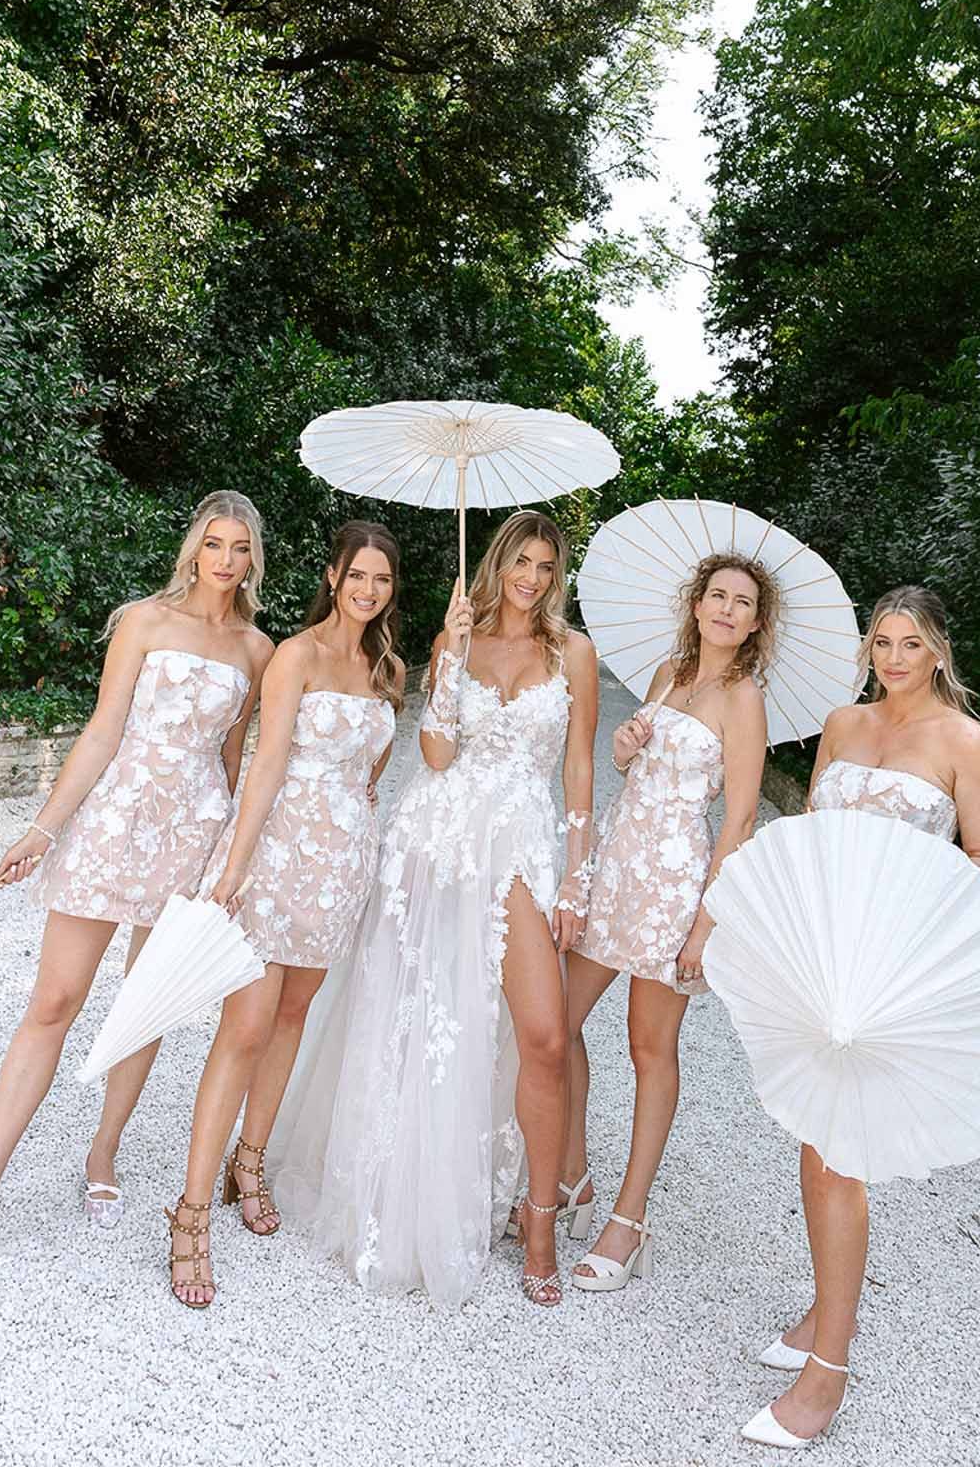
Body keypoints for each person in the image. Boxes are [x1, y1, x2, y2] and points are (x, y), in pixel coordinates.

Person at [0, 491, 271, 1303]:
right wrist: (44, 829)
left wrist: (227, 865)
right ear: (193, 549)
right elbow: (105, 729)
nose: (223, 559)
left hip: (191, 840)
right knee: (54, 1002)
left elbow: (234, 761)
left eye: (239, 548)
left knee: (144, 1007)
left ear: (253, 561)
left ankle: (103, 1151)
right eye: (212, 543)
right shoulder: (143, 621)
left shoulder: (257, 650)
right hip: (116, 824)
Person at [273, 510, 599, 1309]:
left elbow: (580, 769)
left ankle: (541, 1217)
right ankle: (412, 1192)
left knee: (546, 1037)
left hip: (519, 846)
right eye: (520, 561)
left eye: (546, 567)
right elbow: (436, 754)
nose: (530, 578)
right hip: (437, 837)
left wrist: (577, 877)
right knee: (421, 1016)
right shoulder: (456, 639)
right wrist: (449, 657)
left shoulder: (574, 654)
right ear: (495, 563)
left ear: (557, 576)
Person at [740, 585, 980, 1448]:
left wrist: (919, 925)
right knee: (813, 1141)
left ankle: (829, 1374)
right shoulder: (844, 725)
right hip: (824, 958)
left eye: (910, 643)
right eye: (882, 642)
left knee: (838, 1156)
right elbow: (816, 828)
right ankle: (825, 1316)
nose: (893, 658)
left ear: (939, 653)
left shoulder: (966, 743)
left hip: (889, 967)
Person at [166, 522, 403, 1307]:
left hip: (342, 867)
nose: (368, 591)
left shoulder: (388, 667)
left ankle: (251, 1160)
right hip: (277, 856)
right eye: (357, 576)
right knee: (244, 1027)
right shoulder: (295, 655)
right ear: (334, 575)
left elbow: (373, 770)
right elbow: (266, 762)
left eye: (382, 581)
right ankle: (191, 1213)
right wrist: (234, 867)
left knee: (294, 1015)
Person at [559, 552, 773, 1289]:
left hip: (676, 884)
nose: (726, 610)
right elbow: (634, 764)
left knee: (650, 1050)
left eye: (742, 603)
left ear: (755, 622)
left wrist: (707, 924)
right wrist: (622, 748)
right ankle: (574, 1176)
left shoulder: (744, 698)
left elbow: (739, 815)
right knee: (554, 1022)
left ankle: (627, 1218)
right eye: (717, 595)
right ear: (697, 604)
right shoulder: (667, 673)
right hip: (618, 864)